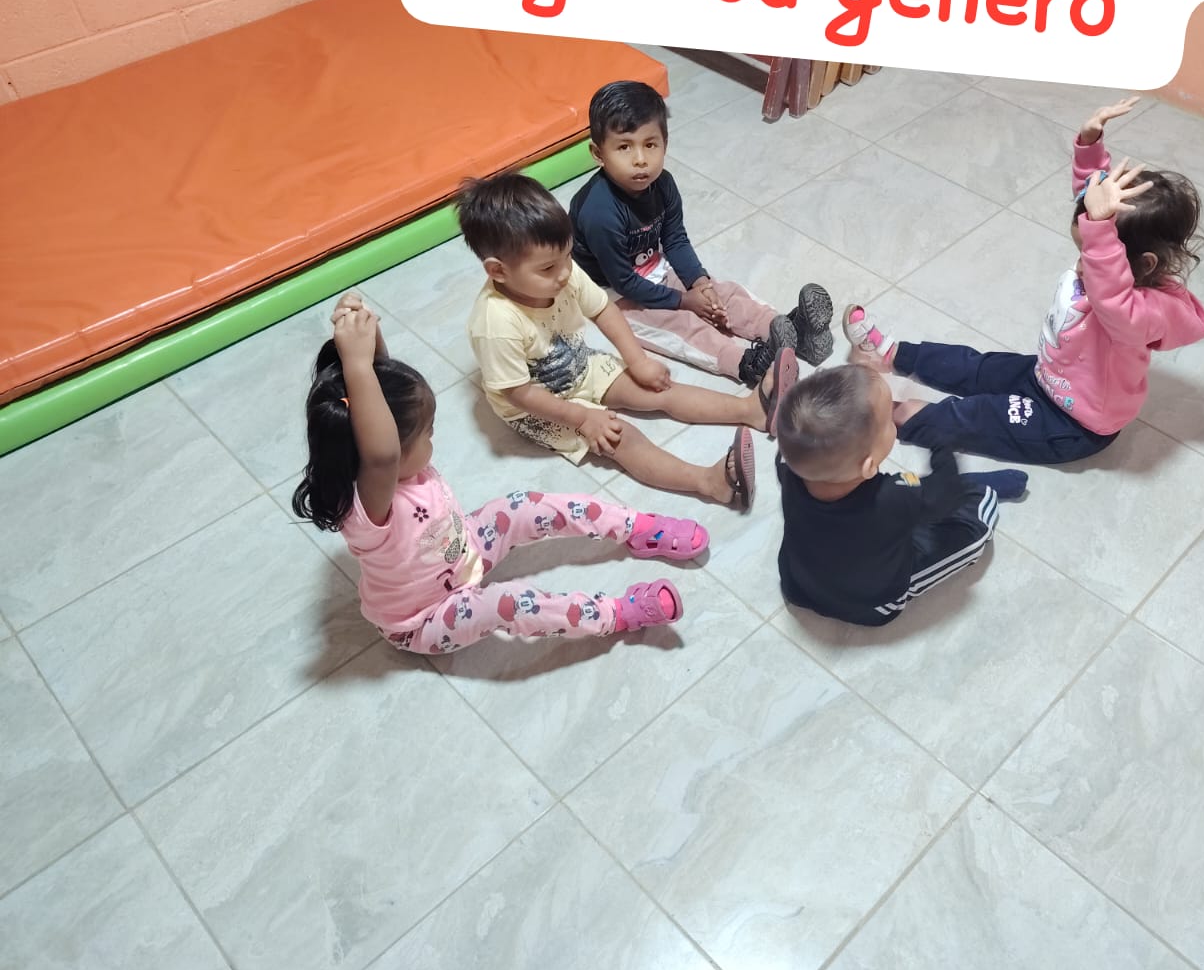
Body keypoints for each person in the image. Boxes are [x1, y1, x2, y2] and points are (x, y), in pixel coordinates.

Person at [291, 293, 702, 656]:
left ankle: (634, 527)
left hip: (464, 551)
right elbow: (382, 454)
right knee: (506, 604)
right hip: (427, 619)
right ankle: (616, 614)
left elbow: (383, 414)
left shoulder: (378, 458)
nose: (432, 438)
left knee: (523, 506)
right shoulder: (367, 504)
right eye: (426, 434)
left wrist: (368, 343)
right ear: (390, 452)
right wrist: (356, 365)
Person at [843, 97, 1204, 465]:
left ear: (1141, 264)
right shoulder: (1112, 254)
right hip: (1043, 376)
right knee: (975, 366)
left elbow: (1112, 300)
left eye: (1093, 253)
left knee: (973, 418)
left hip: (1070, 424)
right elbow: (1092, 204)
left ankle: (886, 416)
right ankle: (887, 355)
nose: (1082, 264)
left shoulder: (1146, 312)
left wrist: (1100, 231)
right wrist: (1090, 148)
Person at [457, 172, 797, 510]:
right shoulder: (495, 324)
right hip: (536, 406)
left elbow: (603, 309)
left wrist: (638, 361)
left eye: (567, 256)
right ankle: (709, 483)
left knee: (659, 391)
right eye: (547, 268)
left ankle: (751, 410)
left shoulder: (563, 271)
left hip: (580, 366)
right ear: (498, 271)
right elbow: (518, 393)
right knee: (621, 437)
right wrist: (582, 417)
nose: (564, 273)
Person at [569, 80, 834, 385]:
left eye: (650, 144)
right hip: (613, 296)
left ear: (665, 144)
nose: (640, 159)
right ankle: (748, 364)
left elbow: (675, 239)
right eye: (624, 147)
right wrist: (685, 301)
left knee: (723, 294)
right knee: (680, 324)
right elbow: (624, 282)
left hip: (653, 268)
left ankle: (790, 330)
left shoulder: (663, 184)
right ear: (598, 153)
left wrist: (700, 284)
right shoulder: (599, 212)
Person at [773, 364, 1029, 626]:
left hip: (798, 585)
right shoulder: (892, 496)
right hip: (874, 604)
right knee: (973, 529)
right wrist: (941, 446)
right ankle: (980, 491)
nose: (893, 420)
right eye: (887, 421)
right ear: (868, 466)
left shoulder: (789, 467)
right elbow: (943, 497)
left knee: (912, 508)